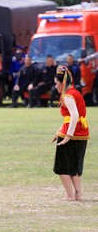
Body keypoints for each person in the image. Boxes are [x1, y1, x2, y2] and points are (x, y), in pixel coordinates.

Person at [51, 65, 89, 201]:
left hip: (72, 133)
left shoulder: (68, 96)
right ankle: (78, 194)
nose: (56, 86)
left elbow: (74, 116)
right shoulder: (75, 92)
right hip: (81, 133)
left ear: (62, 82)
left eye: (56, 83)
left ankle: (70, 195)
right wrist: (59, 131)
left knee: (62, 166)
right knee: (74, 166)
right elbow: (71, 118)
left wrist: (67, 136)